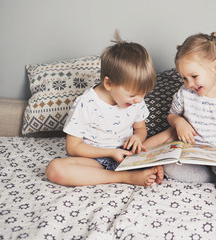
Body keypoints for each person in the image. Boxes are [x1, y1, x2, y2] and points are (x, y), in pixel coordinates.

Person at [144, 32, 216, 214]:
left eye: (194, 76)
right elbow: (171, 116)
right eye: (184, 78)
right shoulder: (184, 94)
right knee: (170, 166)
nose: (189, 83)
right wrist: (179, 122)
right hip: (192, 152)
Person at [46, 32, 164, 187]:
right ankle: (126, 177)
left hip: (128, 154)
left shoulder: (136, 99)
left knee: (172, 133)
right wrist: (111, 153)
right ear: (109, 84)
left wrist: (138, 138)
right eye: (133, 95)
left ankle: (145, 166)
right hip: (96, 158)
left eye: (143, 94)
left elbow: (140, 128)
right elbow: (73, 147)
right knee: (55, 169)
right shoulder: (86, 103)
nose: (139, 100)